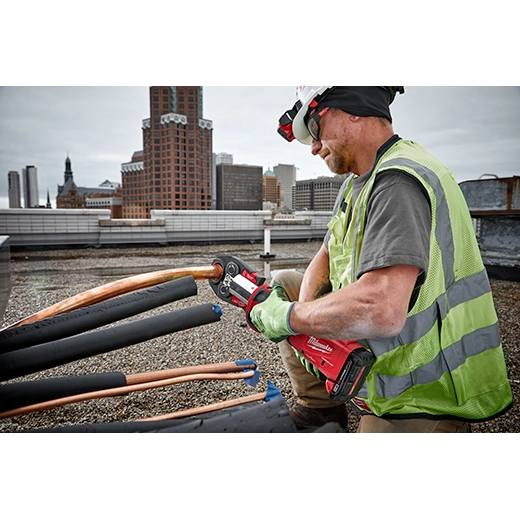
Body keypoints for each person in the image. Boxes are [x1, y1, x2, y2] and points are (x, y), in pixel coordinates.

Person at [249, 86, 513, 433]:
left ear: (352, 110)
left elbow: (382, 311)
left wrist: (292, 318)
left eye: (314, 129)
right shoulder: (361, 179)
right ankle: (321, 409)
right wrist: (309, 334)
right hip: (387, 335)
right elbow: (326, 255)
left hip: (424, 387)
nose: (313, 147)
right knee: (284, 284)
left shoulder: (397, 182)